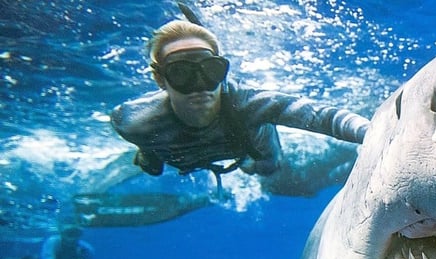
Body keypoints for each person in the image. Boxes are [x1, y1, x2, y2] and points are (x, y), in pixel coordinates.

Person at [110, 19, 370, 181]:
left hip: (248, 149)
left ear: (222, 71)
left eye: (210, 71)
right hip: (179, 155)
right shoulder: (133, 121)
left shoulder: (247, 104)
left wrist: (372, 133)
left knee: (268, 169)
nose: (200, 86)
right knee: (151, 167)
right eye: (182, 73)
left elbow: (323, 117)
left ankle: (248, 164)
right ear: (160, 80)